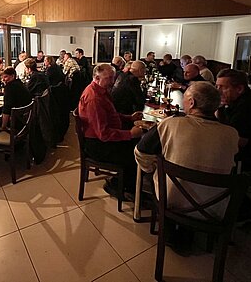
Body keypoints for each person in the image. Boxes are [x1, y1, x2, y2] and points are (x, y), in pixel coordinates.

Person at [135, 82, 239, 251]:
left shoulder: (170, 124)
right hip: (214, 208)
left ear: (192, 103)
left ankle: (170, 227)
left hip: (171, 201)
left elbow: (141, 152)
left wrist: (152, 168)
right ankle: (187, 231)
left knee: (156, 178)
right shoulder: (232, 134)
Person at [78, 63, 144, 195]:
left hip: (102, 138)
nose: (112, 81)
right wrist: (130, 134)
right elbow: (103, 134)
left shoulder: (101, 90)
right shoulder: (94, 98)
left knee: (139, 144)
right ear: (97, 78)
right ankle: (120, 187)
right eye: (108, 78)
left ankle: (127, 181)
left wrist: (129, 118)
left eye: (113, 77)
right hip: (97, 145)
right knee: (136, 153)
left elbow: (111, 114)